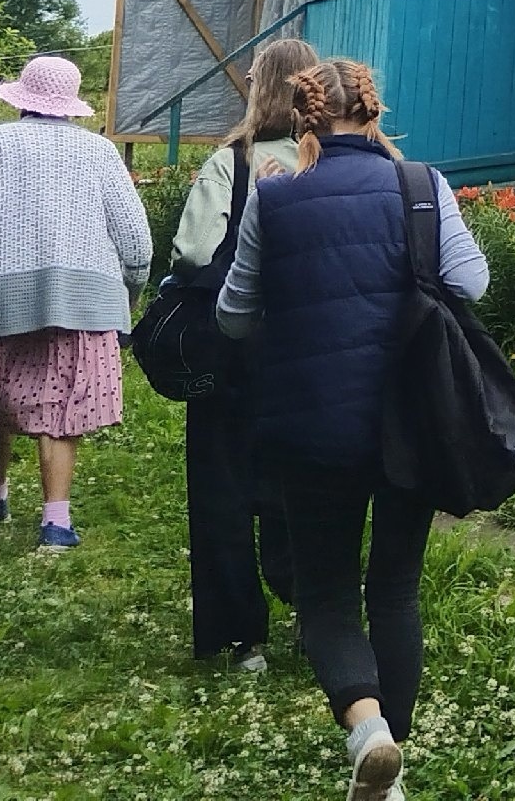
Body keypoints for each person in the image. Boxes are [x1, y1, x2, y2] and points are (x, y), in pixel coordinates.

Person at [218, 58, 487, 801]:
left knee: (327, 593)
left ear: (304, 117)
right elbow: (471, 282)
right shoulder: (421, 185)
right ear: (372, 113)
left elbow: (235, 314)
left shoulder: (275, 199)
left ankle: (367, 732)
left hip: (310, 428)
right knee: (395, 590)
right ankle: (387, 761)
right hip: (413, 420)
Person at [0, 53, 151, 552]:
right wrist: (126, 295)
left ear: (22, 102)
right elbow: (136, 241)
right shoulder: (99, 152)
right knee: (63, 403)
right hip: (80, 301)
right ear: (70, 106)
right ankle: (56, 522)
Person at [167, 34, 317, 666]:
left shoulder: (233, 160)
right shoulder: (330, 157)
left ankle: (240, 636)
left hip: (233, 350)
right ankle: (317, 612)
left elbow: (195, 252)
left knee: (222, 486)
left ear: (265, 86)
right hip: (310, 350)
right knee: (304, 484)